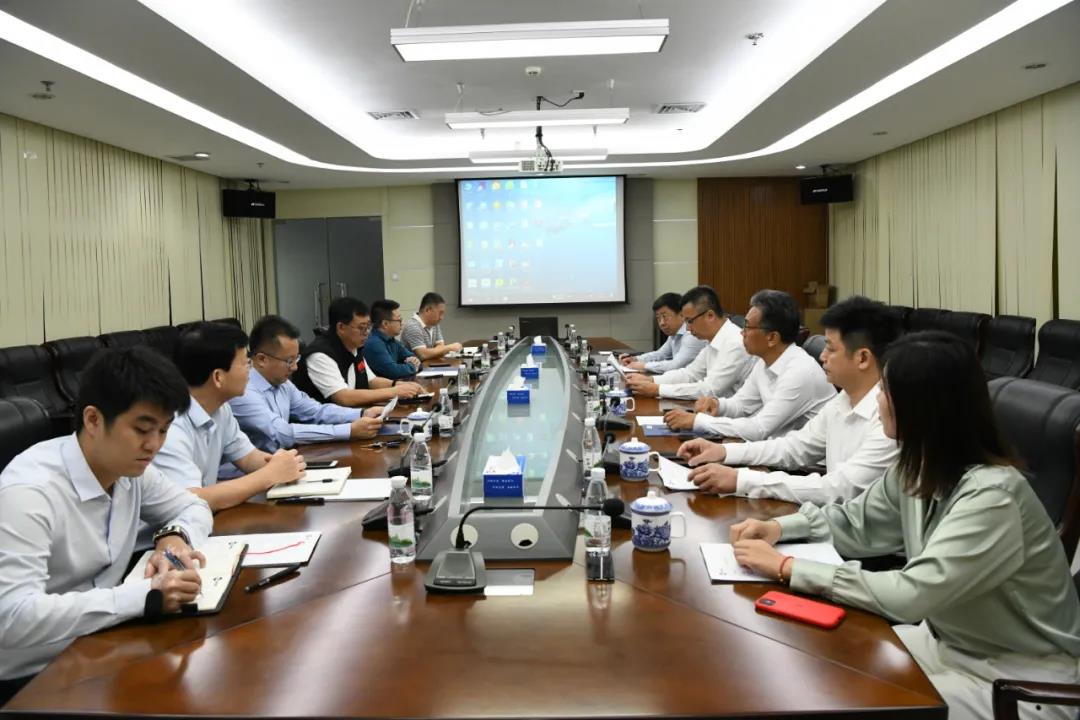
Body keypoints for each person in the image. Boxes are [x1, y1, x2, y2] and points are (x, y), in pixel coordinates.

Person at [729, 331, 1080, 720]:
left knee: (843, 700)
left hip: (1017, 680)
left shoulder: (993, 496)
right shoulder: (920, 466)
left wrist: (787, 567)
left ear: (919, 406)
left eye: (885, 390)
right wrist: (780, 529)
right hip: (946, 644)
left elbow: (911, 594)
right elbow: (857, 523)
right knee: (824, 664)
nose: (877, 399)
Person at [0, 347, 213, 701]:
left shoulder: (129, 470)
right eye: (142, 429)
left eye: (164, 430)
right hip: (33, 674)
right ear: (93, 420)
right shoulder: (30, 492)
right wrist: (144, 596)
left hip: (104, 642)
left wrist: (173, 537)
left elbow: (194, 505)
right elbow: (13, 616)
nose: (154, 445)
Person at [677, 296, 900, 503]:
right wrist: (724, 452)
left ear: (862, 358)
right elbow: (794, 447)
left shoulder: (892, 419)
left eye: (831, 349)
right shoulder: (842, 400)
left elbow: (839, 488)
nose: (822, 356)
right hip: (829, 513)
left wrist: (742, 479)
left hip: (839, 515)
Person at [152, 322, 307, 512]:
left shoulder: (220, 408)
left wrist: (282, 463)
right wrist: (269, 475)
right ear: (218, 377)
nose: (250, 370)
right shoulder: (168, 426)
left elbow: (248, 457)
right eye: (245, 363)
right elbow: (190, 499)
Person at [665, 289, 834, 438]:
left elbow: (759, 429)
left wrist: (698, 421)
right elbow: (742, 404)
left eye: (747, 327)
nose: (741, 332)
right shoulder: (765, 361)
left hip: (803, 462)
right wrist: (717, 404)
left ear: (772, 337)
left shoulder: (799, 372)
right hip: (775, 449)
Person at [230, 315, 383, 452]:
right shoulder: (243, 391)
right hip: (251, 471)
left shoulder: (283, 384)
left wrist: (361, 413)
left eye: (296, 359)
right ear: (262, 359)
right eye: (289, 361)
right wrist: (348, 430)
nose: (295, 367)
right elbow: (281, 432)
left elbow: (315, 411)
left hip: (281, 461)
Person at [626, 285, 755, 400]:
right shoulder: (712, 341)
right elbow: (690, 374)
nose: (687, 328)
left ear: (710, 316)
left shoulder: (735, 343)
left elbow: (709, 390)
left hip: (735, 415)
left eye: (690, 321)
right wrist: (650, 379)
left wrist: (657, 389)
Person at [294, 297, 424, 407]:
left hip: (353, 415)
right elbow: (343, 397)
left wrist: (398, 384)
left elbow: (371, 381)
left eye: (368, 327)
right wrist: (394, 391)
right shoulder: (320, 355)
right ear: (341, 327)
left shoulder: (354, 346)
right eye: (362, 328)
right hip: (324, 425)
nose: (367, 333)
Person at [619, 292, 707, 373]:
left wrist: (644, 366)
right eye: (658, 318)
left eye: (665, 316)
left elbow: (676, 366)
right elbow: (661, 354)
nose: (662, 323)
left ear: (681, 315)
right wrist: (636, 359)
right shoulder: (674, 333)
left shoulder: (692, 334)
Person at [362, 299, 422, 380]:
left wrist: (414, 363)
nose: (402, 323)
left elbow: (417, 360)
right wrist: (413, 366)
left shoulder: (392, 340)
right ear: (385, 324)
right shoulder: (374, 343)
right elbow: (394, 372)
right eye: (399, 320)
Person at [400, 292, 464, 361]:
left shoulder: (434, 324)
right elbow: (423, 355)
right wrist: (449, 348)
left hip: (430, 365)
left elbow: (441, 346)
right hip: (414, 367)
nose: (441, 318)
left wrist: (436, 351)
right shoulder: (412, 326)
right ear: (427, 310)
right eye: (440, 313)